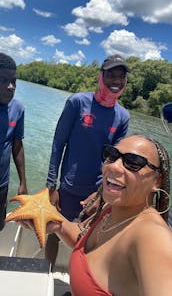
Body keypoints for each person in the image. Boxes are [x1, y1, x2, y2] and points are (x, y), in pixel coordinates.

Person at [22, 134, 172, 295]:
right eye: (112, 156)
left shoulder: (152, 237)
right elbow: (84, 241)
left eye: (133, 163)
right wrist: (58, 223)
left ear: (157, 181)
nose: (114, 166)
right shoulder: (112, 208)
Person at [45, 54, 130, 269]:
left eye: (121, 76)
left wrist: (102, 193)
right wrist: (51, 186)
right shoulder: (77, 102)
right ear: (101, 76)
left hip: (97, 194)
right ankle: (46, 273)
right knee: (54, 233)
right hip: (67, 188)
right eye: (111, 74)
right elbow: (58, 143)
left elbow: (115, 160)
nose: (116, 81)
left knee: (88, 243)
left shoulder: (123, 116)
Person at [0, 52, 28, 231]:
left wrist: (22, 182)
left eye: (14, 81)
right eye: (3, 80)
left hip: (2, 185)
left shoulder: (18, 109)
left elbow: (17, 146)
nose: (11, 86)